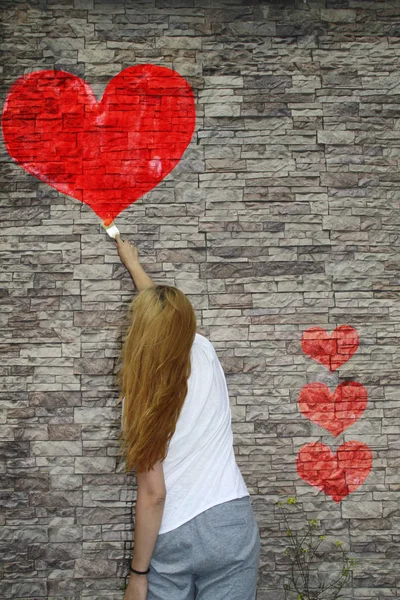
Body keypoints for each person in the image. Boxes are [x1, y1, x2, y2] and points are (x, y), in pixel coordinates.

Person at [114, 233, 260, 600]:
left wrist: (138, 575)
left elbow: (154, 495)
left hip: (173, 530)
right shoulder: (204, 351)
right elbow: (170, 322)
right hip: (230, 522)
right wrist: (136, 267)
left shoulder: (138, 401)